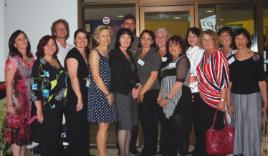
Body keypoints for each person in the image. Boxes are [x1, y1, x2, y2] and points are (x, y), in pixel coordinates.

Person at [227, 28, 267, 156]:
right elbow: (229, 84)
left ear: (248, 40)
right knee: (238, 128)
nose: (240, 41)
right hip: (236, 98)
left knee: (253, 127)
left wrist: (266, 102)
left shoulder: (256, 57)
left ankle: (253, 153)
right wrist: (228, 103)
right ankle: (239, 152)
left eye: (243, 38)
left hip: (253, 98)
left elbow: (262, 81)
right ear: (234, 40)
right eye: (237, 38)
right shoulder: (230, 59)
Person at [31, 35, 67, 156]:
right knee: (48, 140)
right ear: (42, 47)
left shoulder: (55, 60)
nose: (51, 47)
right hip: (47, 107)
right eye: (47, 45)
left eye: (53, 44)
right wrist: (39, 110)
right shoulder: (40, 63)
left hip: (58, 106)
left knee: (56, 137)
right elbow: (34, 88)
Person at [196, 29, 229, 156]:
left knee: (216, 134)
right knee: (206, 133)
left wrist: (222, 101)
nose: (207, 42)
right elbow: (204, 75)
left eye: (209, 39)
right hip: (203, 99)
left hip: (215, 101)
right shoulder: (205, 55)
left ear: (215, 41)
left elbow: (224, 81)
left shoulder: (219, 56)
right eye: (204, 39)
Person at [157, 35, 192, 156]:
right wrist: (159, 97)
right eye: (170, 45)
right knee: (170, 132)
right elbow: (163, 81)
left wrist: (167, 98)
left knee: (181, 133)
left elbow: (179, 82)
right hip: (166, 98)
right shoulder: (168, 61)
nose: (172, 47)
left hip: (180, 99)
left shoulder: (183, 60)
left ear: (181, 47)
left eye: (175, 45)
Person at [88, 25, 118, 156]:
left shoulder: (108, 53)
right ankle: (102, 154)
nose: (106, 38)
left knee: (105, 125)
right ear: (97, 38)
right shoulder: (95, 52)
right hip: (101, 92)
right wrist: (107, 93)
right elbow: (95, 76)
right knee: (103, 126)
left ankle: (103, 152)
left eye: (108, 35)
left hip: (108, 91)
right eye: (102, 36)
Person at [110, 28, 140, 156]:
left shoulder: (129, 53)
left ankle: (126, 152)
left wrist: (137, 86)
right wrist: (131, 88)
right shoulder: (114, 53)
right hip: (122, 92)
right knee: (124, 125)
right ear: (118, 39)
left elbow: (134, 74)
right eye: (123, 37)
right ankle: (122, 153)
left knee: (129, 125)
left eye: (128, 37)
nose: (126, 40)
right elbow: (117, 76)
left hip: (131, 93)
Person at [4, 30, 34, 156]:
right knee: (17, 137)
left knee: (23, 138)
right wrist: (10, 105)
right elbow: (9, 83)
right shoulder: (12, 59)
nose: (23, 40)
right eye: (19, 39)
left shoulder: (31, 57)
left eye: (24, 37)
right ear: (14, 44)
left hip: (28, 104)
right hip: (16, 104)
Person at [136, 29, 161, 156]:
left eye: (148, 39)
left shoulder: (154, 54)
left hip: (150, 92)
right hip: (141, 90)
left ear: (152, 41)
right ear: (140, 40)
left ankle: (150, 150)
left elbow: (153, 76)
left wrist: (142, 92)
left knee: (150, 123)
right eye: (143, 38)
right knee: (144, 122)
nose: (145, 41)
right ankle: (147, 148)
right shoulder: (138, 52)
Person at [65, 29, 89, 156]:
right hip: (75, 96)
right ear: (74, 40)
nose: (82, 40)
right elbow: (73, 77)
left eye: (84, 38)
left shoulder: (88, 53)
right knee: (75, 128)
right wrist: (79, 98)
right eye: (79, 38)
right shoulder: (72, 55)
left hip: (86, 94)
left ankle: (84, 152)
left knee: (84, 127)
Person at [185, 27, 204, 155]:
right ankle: (193, 148)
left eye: (194, 36)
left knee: (199, 123)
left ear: (199, 38)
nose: (191, 39)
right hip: (188, 90)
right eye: (189, 36)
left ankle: (200, 150)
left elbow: (197, 72)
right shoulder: (188, 51)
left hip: (197, 91)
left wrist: (191, 90)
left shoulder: (201, 51)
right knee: (189, 123)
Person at [154, 27, 171, 155]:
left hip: (168, 93)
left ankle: (166, 149)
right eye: (157, 37)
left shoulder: (172, 53)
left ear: (167, 38)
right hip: (153, 92)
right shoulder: (153, 52)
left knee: (167, 122)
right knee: (156, 121)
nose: (159, 39)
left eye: (162, 37)